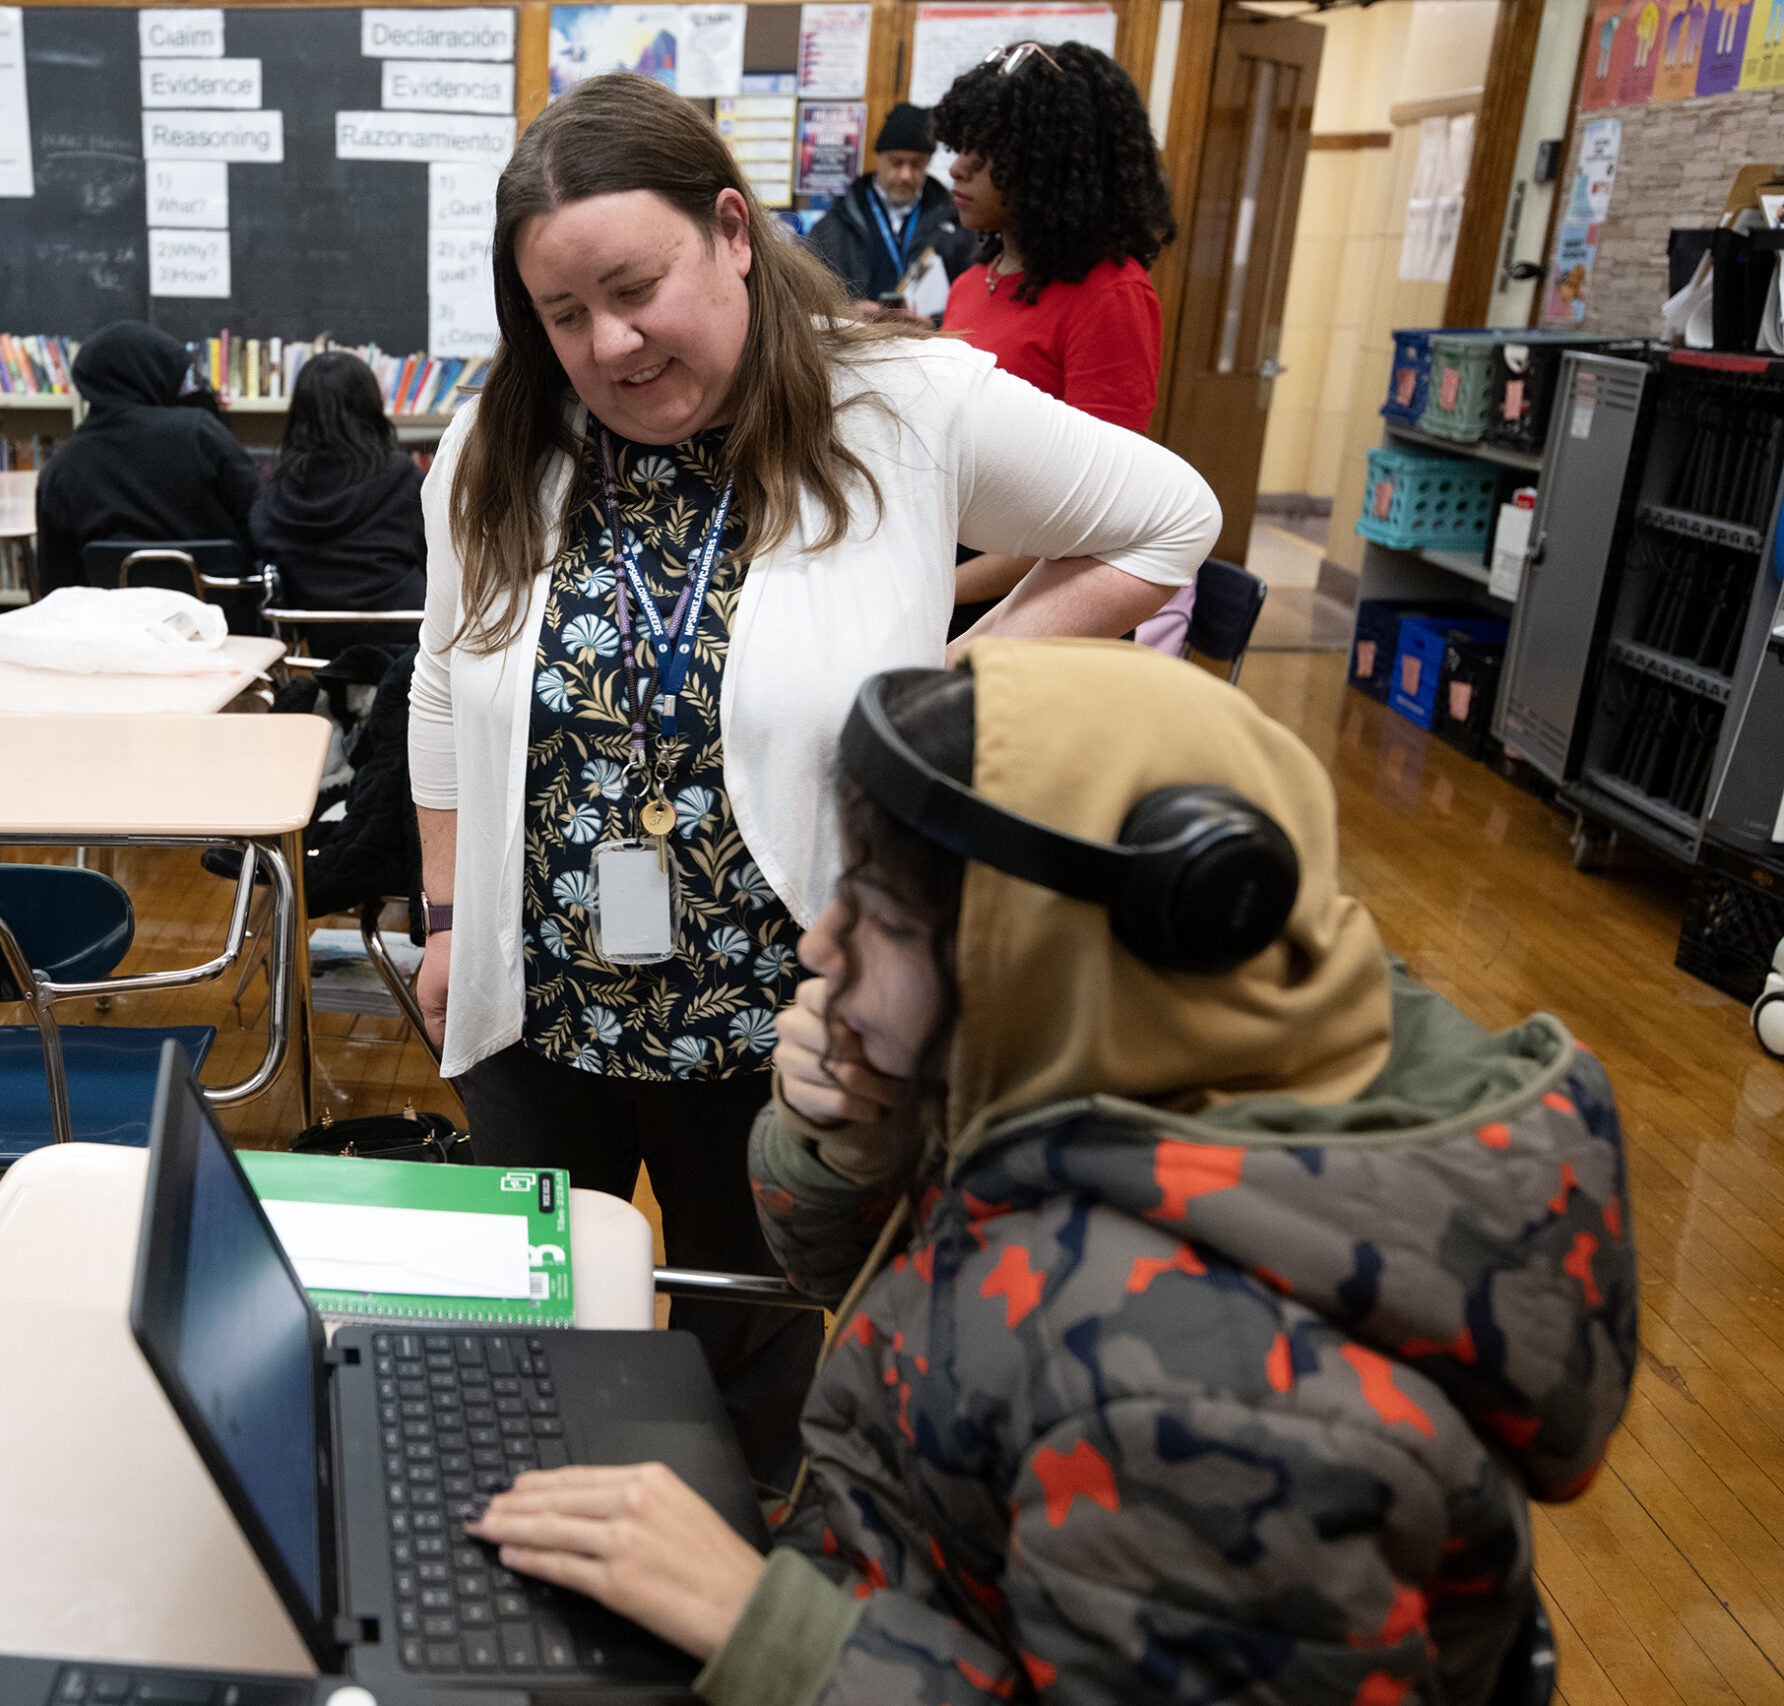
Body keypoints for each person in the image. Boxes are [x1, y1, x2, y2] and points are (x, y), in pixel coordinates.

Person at [466, 640, 1639, 1706]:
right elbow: (873, 1280)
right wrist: (856, 1137)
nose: (820, 951)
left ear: (1031, 948)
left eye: (872, 914)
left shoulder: (1212, 1406)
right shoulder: (1152, 1036)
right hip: (891, 1585)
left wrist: (766, 1629)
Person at [410, 74, 1220, 1481]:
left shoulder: (901, 401)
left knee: (761, 1332)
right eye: (562, 314)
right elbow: (439, 676)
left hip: (771, 1005)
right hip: (532, 990)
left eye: (636, 285)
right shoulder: (502, 442)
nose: (610, 342)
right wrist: (435, 917)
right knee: (529, 1329)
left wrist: (946, 693)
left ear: (731, 229)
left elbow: (1170, 516)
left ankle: (752, 1586)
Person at [933, 41, 1195, 651]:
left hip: (1043, 602)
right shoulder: (977, 280)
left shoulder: (1111, 294)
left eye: (987, 152)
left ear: (1050, 162)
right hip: (958, 577)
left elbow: (1096, 519)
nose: (957, 168)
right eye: (961, 144)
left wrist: (936, 584)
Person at [36, 320, 259, 591]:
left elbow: (56, 583)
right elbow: (257, 520)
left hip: (111, 627)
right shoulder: (199, 433)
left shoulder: (62, 468)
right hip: (221, 617)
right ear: (154, 373)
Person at [249, 349, 427, 652]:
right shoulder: (401, 475)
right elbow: (439, 555)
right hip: (406, 635)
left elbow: (262, 548)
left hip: (319, 641)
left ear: (299, 413)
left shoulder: (281, 488)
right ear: (371, 406)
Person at [805, 103, 978, 322]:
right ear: (879, 158)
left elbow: (973, 304)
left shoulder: (957, 224)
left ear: (928, 162)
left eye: (916, 164)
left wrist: (933, 324)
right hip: (855, 347)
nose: (905, 175)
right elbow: (806, 300)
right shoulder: (832, 227)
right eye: (896, 162)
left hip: (927, 348)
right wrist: (846, 312)